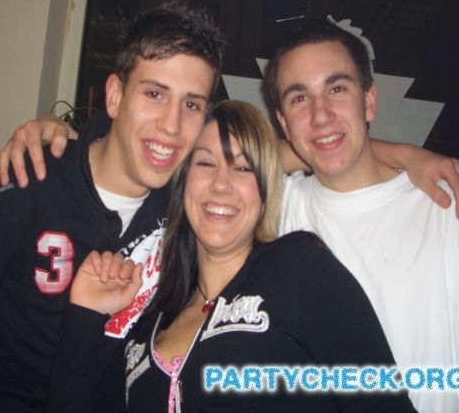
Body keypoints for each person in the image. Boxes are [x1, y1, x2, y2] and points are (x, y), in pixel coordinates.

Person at [0, 0, 226, 413]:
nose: (172, 125)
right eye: (155, 94)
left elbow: (267, 163)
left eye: (191, 104)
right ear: (115, 96)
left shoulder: (189, 201)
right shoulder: (31, 180)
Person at [49, 100, 418, 412]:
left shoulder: (299, 269)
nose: (221, 185)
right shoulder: (150, 318)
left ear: (265, 190)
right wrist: (85, 314)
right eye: (206, 163)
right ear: (183, 181)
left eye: (243, 168)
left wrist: (406, 155)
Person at [263, 19, 459, 412]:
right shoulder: (277, 211)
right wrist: (406, 152)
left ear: (370, 101)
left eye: (337, 89)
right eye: (299, 98)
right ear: (282, 124)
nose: (320, 115)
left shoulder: (457, 209)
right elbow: (220, 158)